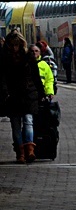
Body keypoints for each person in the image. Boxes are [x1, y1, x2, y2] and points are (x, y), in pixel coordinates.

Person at [3, 31, 44, 164]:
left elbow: (36, 77)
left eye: (17, 45)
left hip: (27, 94)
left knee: (27, 121)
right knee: (16, 125)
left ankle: (29, 150)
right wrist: (5, 93)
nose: (15, 48)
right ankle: (20, 153)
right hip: (14, 95)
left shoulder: (28, 57)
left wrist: (41, 93)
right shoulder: (4, 58)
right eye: (12, 45)